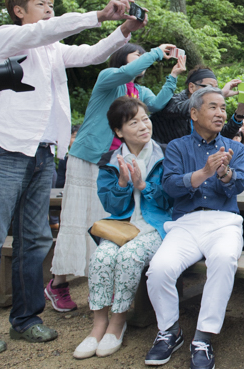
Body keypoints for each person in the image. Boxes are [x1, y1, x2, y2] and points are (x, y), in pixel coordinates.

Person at [0, 0, 140, 358]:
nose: (49, 9)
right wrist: (98, 15)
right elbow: (45, 31)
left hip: (42, 152)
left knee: (34, 239)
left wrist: (123, 30)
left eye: (52, 4)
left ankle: (25, 319)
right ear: (19, 11)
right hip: (6, 148)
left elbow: (91, 53)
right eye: (41, 4)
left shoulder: (53, 49)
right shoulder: (8, 37)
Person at [48, 41, 184, 312]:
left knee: (107, 220)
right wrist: (157, 53)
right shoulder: (109, 78)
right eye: (137, 55)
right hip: (89, 156)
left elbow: (157, 104)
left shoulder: (139, 92)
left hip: (114, 162)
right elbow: (127, 72)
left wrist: (173, 76)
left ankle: (101, 284)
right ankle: (58, 283)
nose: (143, 60)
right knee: (77, 219)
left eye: (144, 56)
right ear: (122, 58)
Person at [145, 86, 244, 369]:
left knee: (224, 259)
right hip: (186, 223)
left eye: (223, 108)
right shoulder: (177, 147)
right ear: (194, 113)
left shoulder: (235, 148)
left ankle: (203, 337)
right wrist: (203, 173)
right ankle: (169, 330)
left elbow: (240, 183)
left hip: (224, 221)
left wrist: (225, 173)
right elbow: (169, 186)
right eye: (213, 107)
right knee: (159, 268)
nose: (220, 113)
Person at [73, 97, 172, 360]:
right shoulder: (110, 160)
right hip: (124, 227)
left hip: (156, 226)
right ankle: (98, 325)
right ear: (119, 131)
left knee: (128, 257)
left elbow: (170, 201)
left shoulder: (166, 155)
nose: (143, 126)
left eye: (145, 119)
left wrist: (143, 186)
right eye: (133, 122)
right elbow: (111, 206)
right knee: (101, 257)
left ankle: (117, 323)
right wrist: (121, 183)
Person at [149, 65, 244, 145]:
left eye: (215, 88)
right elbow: (182, 109)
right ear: (191, 87)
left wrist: (240, 112)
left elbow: (222, 135)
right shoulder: (172, 102)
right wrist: (221, 93)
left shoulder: (206, 108)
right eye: (209, 87)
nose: (213, 92)